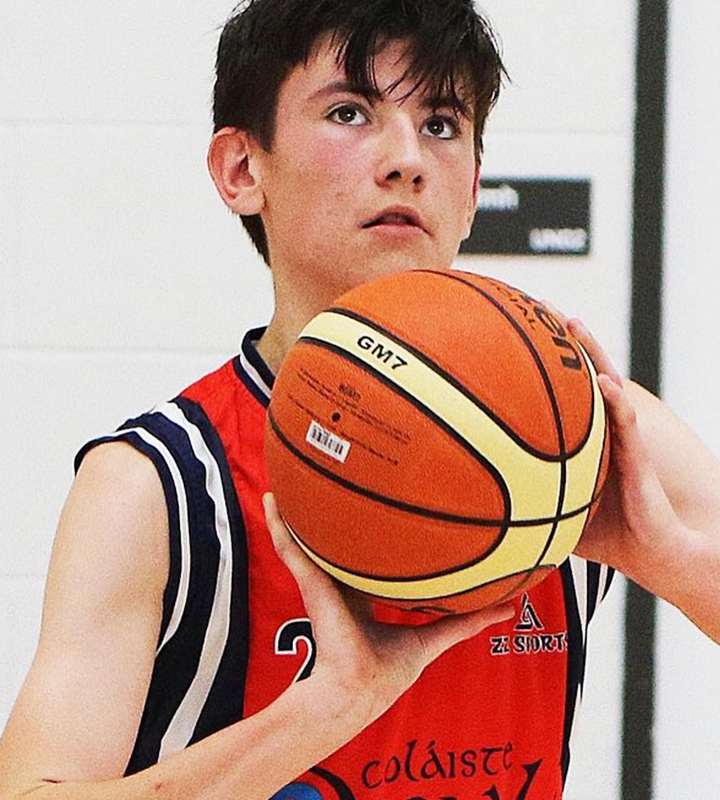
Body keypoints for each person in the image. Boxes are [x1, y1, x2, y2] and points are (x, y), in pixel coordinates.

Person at [0, 0, 719, 798]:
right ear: (243, 170)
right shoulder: (156, 484)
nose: (407, 157)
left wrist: (677, 563)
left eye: (442, 123)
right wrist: (326, 708)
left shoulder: (588, 434)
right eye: (350, 112)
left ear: (475, 186)